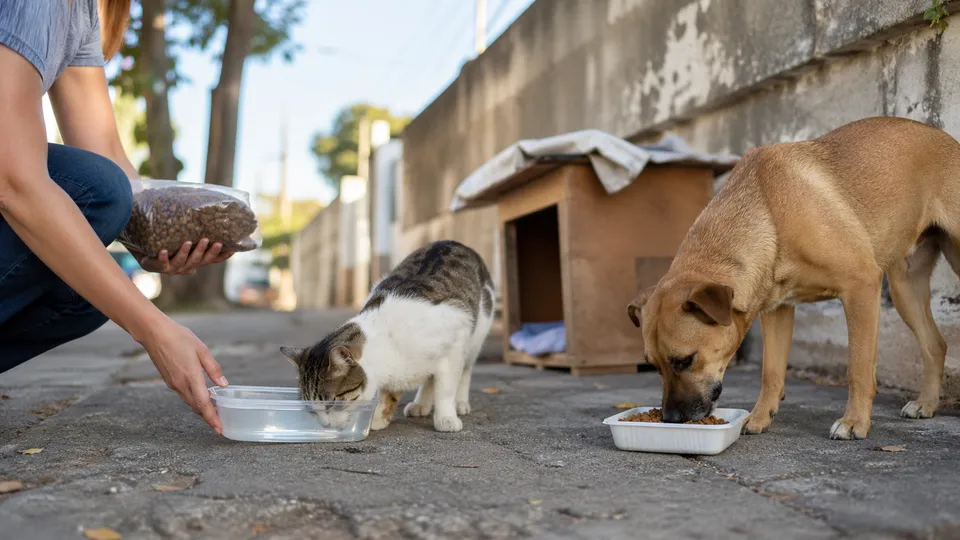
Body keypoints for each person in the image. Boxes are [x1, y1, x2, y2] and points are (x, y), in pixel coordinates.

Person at [0, 0, 230, 434]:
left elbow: (103, 146)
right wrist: (153, 329)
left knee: (90, 289)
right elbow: (12, 178)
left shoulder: (83, 10)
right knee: (93, 192)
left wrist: (153, 237)